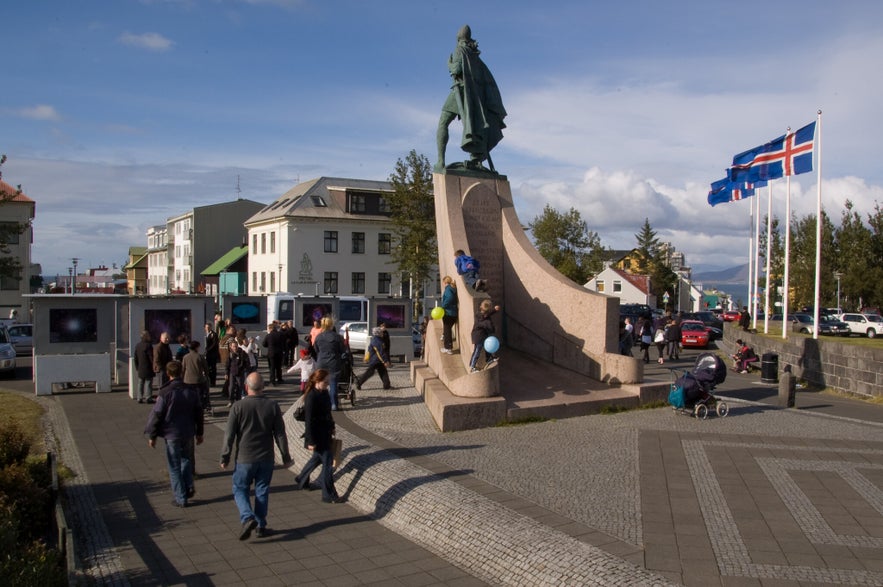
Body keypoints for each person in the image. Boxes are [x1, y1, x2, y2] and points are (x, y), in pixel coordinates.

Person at [220, 372, 292, 540]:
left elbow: (229, 435)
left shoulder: (238, 407)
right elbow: (280, 434)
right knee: (262, 490)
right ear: (263, 387)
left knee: (240, 488)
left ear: (246, 387)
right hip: (266, 457)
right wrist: (285, 457)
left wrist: (225, 456)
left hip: (245, 457)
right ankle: (260, 525)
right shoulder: (272, 406)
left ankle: (247, 517)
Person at [435, 24, 507, 173]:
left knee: (443, 123)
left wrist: (449, 65)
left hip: (461, 92)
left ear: (458, 38)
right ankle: (476, 158)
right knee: (474, 125)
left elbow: (457, 70)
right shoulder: (475, 57)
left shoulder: (459, 50)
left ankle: (441, 161)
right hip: (476, 97)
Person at [144, 361, 204, 508]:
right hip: (188, 431)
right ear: (182, 373)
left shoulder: (165, 392)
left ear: (168, 374)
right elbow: (199, 412)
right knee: (186, 460)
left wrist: (152, 435)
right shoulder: (191, 391)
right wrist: (199, 432)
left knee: (174, 465)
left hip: (172, 433)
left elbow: (157, 414)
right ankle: (188, 485)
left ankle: (180, 497)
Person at [294, 370, 343, 504]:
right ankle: (329, 494)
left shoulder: (325, 393)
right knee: (327, 464)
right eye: (325, 382)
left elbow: (328, 413)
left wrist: (332, 426)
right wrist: (310, 441)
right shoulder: (311, 396)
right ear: (317, 381)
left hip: (325, 431)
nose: (327, 385)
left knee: (317, 458)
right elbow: (308, 421)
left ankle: (301, 478)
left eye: (328, 382)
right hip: (316, 435)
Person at [313, 316, 346, 411]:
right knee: (333, 383)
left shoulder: (319, 337)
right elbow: (342, 350)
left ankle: (318, 403)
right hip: (333, 362)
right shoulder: (337, 337)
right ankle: (334, 404)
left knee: (320, 383)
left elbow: (316, 349)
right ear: (331, 325)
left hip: (321, 361)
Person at [469, 299, 500, 373]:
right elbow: (490, 327)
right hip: (478, 337)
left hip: (480, 335)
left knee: (486, 347)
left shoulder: (479, 314)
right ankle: (472, 366)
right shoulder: (485, 321)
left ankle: (489, 358)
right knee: (477, 351)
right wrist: (494, 329)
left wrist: (494, 310)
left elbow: (487, 314)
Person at [181, 340, 211, 414]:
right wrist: (207, 375)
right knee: (200, 395)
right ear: (197, 347)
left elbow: (183, 369)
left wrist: (182, 378)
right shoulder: (200, 357)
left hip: (187, 380)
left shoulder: (185, 357)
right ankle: (202, 407)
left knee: (189, 395)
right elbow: (206, 368)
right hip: (198, 380)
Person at [224, 339, 248, 407]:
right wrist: (226, 373)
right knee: (231, 387)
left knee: (239, 387)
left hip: (240, 373)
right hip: (232, 373)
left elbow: (247, 363)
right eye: (233, 346)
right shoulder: (230, 355)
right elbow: (227, 364)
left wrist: (244, 369)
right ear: (231, 347)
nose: (235, 348)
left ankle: (238, 400)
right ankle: (231, 401)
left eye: (236, 346)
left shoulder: (242, 353)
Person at [133, 330, 154, 403]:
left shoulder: (138, 345)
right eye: (148, 335)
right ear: (146, 337)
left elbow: (135, 357)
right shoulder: (148, 346)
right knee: (148, 383)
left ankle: (139, 397)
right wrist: (153, 366)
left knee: (140, 383)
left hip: (140, 367)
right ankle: (148, 397)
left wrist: (137, 366)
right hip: (148, 367)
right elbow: (151, 357)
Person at [440, 275, 458, 354]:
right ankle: (446, 340)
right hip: (454, 313)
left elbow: (449, 298)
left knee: (447, 330)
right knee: (447, 329)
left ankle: (448, 348)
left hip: (448, 313)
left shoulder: (448, 289)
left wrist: (443, 306)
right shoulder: (453, 289)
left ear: (444, 282)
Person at [204, 322, 220, 387]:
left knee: (213, 368)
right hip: (207, 354)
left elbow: (214, 344)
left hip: (212, 354)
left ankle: (213, 382)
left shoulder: (214, 334)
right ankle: (208, 381)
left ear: (211, 327)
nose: (207, 328)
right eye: (206, 327)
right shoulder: (205, 334)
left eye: (209, 327)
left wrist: (207, 350)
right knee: (207, 368)